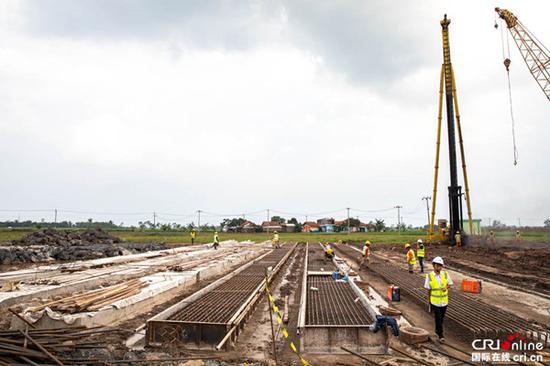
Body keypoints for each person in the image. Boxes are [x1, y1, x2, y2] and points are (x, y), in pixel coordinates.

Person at [424, 256, 453, 342]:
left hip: (444, 302)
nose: (439, 267)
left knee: (441, 318)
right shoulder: (429, 276)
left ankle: (437, 330)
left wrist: (446, 287)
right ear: (433, 265)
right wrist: (429, 301)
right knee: (438, 318)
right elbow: (428, 289)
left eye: (440, 265)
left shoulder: (445, 274)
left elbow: (449, 284)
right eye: (437, 265)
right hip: (435, 302)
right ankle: (441, 335)